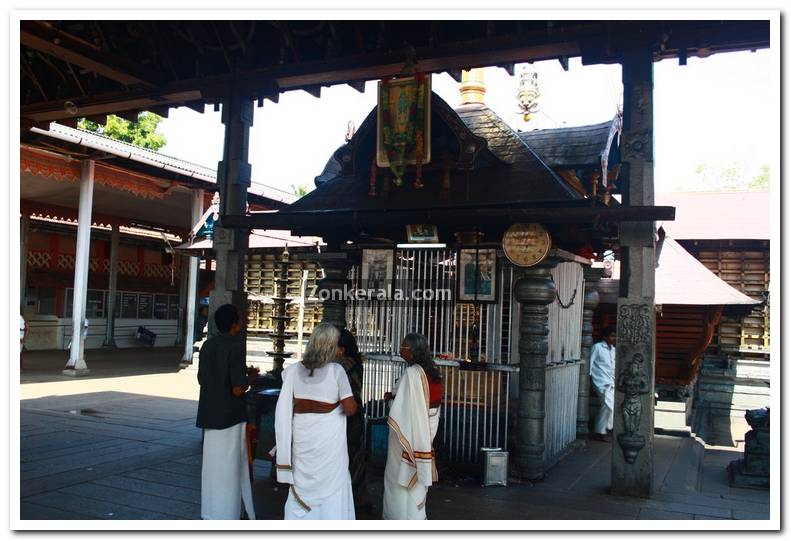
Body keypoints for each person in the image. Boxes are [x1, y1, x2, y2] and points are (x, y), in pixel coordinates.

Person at [274, 323, 357, 520]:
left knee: (301, 487)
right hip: (328, 450)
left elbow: (290, 404)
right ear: (331, 347)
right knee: (332, 489)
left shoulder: (293, 371)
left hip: (303, 443)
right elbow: (350, 409)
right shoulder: (337, 371)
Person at [196, 304, 258, 520]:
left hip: (209, 416)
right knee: (231, 470)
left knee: (212, 469)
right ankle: (228, 514)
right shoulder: (235, 346)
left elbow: (202, 380)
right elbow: (238, 389)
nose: (242, 322)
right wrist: (251, 377)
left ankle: (211, 512)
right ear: (234, 324)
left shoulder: (207, 346)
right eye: (240, 319)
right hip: (230, 417)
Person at [382, 333, 442, 520]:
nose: (400, 349)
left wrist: (391, 398)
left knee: (398, 473)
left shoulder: (412, 373)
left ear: (412, 351)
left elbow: (402, 406)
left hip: (408, 430)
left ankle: (398, 517)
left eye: (403, 346)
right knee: (413, 475)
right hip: (427, 426)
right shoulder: (433, 370)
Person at [335, 328, 372, 513]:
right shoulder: (355, 362)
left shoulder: (341, 365)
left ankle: (351, 501)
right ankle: (361, 500)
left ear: (341, 349)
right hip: (356, 415)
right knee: (356, 457)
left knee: (346, 458)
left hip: (347, 416)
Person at [590, 325, 617, 442]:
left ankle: (602, 430)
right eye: (612, 336)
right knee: (608, 406)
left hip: (611, 382)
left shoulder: (614, 350)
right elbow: (589, 364)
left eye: (615, 336)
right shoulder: (597, 347)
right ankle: (603, 431)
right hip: (600, 382)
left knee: (607, 407)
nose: (614, 338)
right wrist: (589, 381)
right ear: (605, 337)